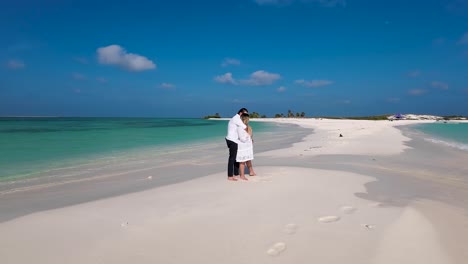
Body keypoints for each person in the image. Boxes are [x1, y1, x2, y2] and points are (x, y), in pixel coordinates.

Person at [225, 108, 248, 181]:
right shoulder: (236, 119)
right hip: (232, 140)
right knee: (232, 158)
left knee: (236, 157)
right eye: (245, 114)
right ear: (241, 113)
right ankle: (230, 176)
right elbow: (245, 127)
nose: (245, 116)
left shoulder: (236, 118)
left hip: (232, 140)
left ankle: (236, 173)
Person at [236, 113, 254, 180]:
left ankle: (251, 171)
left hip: (248, 146)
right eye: (248, 119)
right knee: (242, 161)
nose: (248, 120)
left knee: (248, 159)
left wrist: (251, 138)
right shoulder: (240, 127)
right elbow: (242, 139)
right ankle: (242, 175)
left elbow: (249, 136)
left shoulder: (247, 126)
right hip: (242, 147)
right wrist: (248, 134)